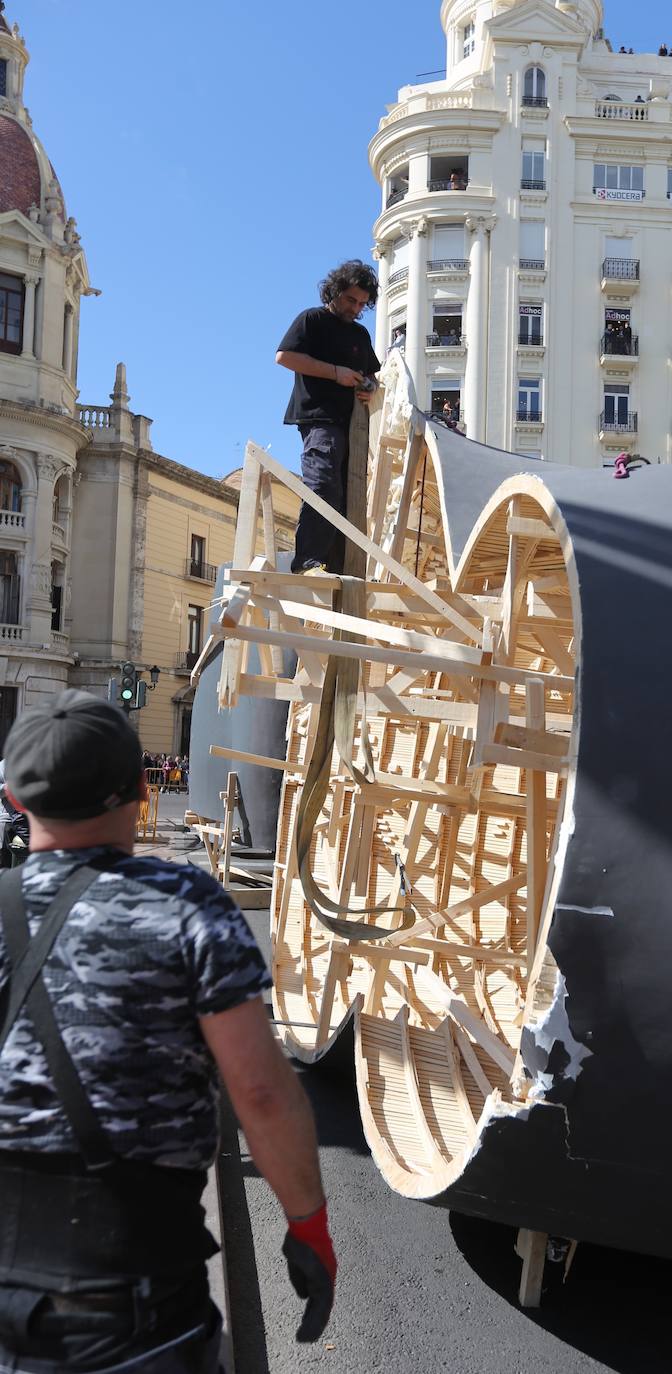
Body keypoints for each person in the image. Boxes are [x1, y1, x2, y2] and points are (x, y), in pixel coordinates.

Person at [0, 691, 336, 1372]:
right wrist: (309, 1226)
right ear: (140, 795)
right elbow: (262, 1094)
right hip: (138, 1302)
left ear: (13, 799)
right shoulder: (186, 906)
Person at [276, 261, 380, 574]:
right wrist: (336, 373)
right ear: (335, 291)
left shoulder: (360, 334)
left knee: (350, 495)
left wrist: (370, 386)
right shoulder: (312, 319)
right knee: (322, 483)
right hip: (319, 419)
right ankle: (307, 560)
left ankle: (336, 567)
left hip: (355, 426)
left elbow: (372, 374)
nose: (357, 308)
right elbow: (285, 357)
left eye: (363, 303)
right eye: (351, 300)